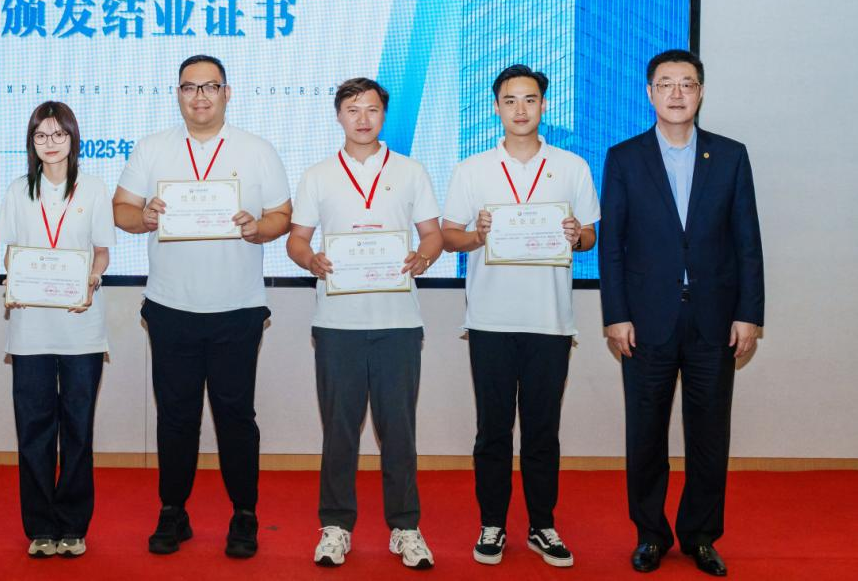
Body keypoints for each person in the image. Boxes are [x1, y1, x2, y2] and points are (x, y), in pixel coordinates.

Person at [113, 54, 292, 558]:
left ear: (226, 93)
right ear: (178, 94)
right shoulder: (153, 148)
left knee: (236, 417)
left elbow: (282, 215)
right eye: (190, 87)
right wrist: (145, 217)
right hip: (171, 307)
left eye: (210, 86)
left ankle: (245, 514)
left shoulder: (257, 150)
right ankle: (173, 511)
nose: (200, 96)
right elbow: (121, 210)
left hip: (238, 309)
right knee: (175, 417)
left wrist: (259, 227)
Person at [600, 50, 763, 577]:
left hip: (715, 320)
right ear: (649, 92)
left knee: (709, 437)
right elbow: (612, 246)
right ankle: (650, 535)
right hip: (646, 321)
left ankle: (700, 536)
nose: (676, 93)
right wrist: (615, 314)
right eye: (665, 84)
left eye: (686, 84)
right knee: (645, 435)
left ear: (701, 92)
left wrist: (749, 313)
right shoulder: (624, 157)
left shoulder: (730, 155)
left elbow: (747, 241)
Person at [441, 64, 599, 569]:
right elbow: (449, 236)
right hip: (490, 320)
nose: (520, 109)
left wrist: (577, 235)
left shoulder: (572, 166)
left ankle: (542, 525)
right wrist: (478, 234)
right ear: (496, 108)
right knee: (492, 430)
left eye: (530, 99)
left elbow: (590, 235)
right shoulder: (473, 169)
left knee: (542, 431)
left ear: (544, 105)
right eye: (510, 100)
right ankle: (492, 524)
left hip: (550, 321)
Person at [286, 78, 444, 570]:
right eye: (352, 109)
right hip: (338, 324)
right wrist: (311, 259)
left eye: (371, 109)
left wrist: (423, 258)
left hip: (398, 323)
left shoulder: (411, 171)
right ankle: (335, 526)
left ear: (383, 115)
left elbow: (433, 235)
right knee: (340, 430)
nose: (362, 118)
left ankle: (405, 528)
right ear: (339, 116)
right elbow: (296, 240)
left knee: (399, 431)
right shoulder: (318, 175)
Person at [0, 102, 113, 559]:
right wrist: (13, 280)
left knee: (78, 429)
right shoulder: (17, 190)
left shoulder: (94, 189)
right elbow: (11, 252)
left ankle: (74, 525)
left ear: (72, 139)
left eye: (58, 134)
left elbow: (101, 251)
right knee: (34, 430)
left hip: (82, 325)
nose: (50, 143)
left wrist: (92, 278)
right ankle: (41, 526)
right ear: (32, 142)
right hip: (30, 328)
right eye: (41, 135)